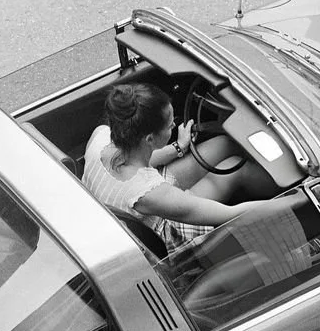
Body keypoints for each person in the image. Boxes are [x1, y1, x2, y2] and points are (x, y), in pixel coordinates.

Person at [83, 82, 275, 253]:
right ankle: (283, 186)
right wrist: (292, 200)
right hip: (161, 231)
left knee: (226, 143)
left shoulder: (100, 137)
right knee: (235, 169)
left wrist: (179, 147)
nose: (174, 125)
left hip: (132, 200)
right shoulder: (148, 194)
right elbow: (229, 214)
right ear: (149, 138)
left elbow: (139, 159)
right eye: (169, 126)